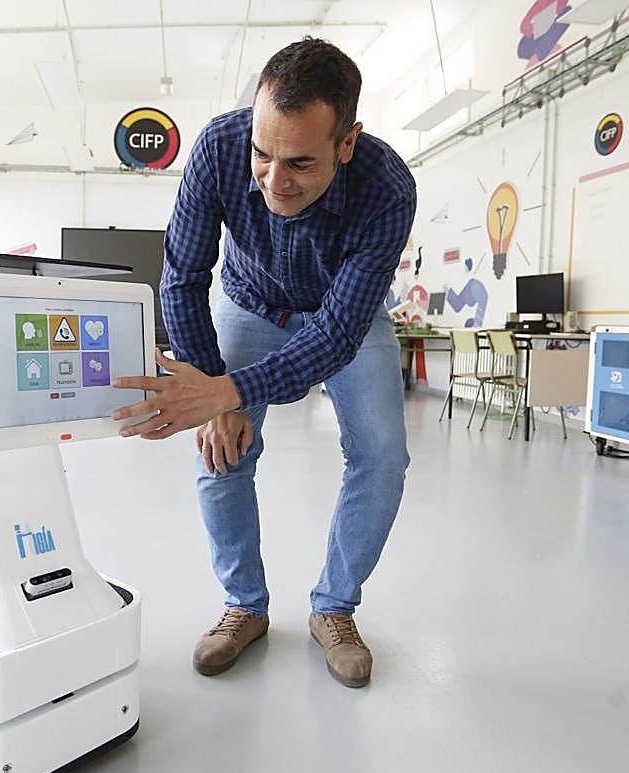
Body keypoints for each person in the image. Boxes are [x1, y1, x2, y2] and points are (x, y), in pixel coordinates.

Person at [112, 37, 417, 688]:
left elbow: (336, 335)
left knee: (383, 455)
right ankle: (243, 607)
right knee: (219, 452)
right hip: (247, 305)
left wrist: (226, 393)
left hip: (345, 318)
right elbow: (184, 278)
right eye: (263, 153)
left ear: (347, 143)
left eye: (300, 162)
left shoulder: (388, 189)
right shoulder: (219, 148)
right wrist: (208, 390)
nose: (274, 181)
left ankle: (334, 609)